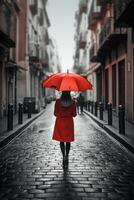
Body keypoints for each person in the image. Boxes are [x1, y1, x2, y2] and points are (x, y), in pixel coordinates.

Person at [52, 91, 77, 168]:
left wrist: (61, 114)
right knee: (68, 141)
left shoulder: (58, 102)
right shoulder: (73, 102)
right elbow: (74, 114)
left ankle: (63, 156)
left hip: (60, 122)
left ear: (62, 93)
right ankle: (67, 156)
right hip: (69, 123)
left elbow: (55, 113)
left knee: (62, 141)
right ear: (69, 93)